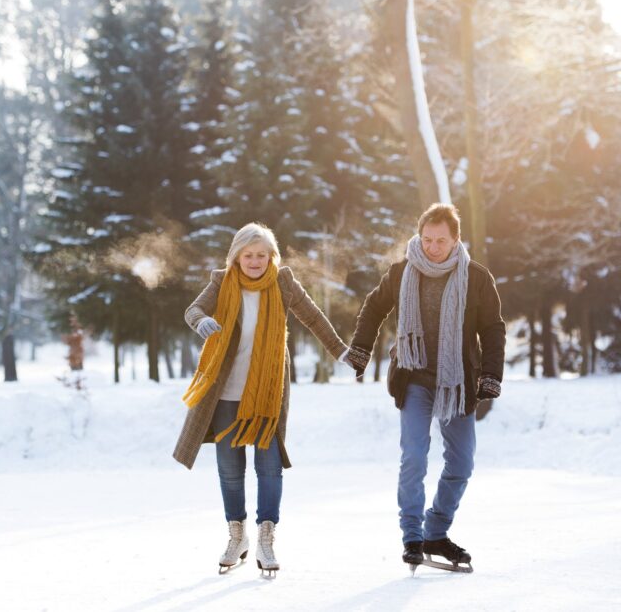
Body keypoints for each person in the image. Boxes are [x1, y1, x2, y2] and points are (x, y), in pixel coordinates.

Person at [174, 222, 348, 577]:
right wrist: (203, 321)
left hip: (268, 392)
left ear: (272, 257)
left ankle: (266, 537)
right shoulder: (221, 282)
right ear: (236, 256)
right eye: (248, 255)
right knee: (230, 469)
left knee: (268, 466)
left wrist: (340, 351)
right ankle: (236, 536)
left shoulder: (282, 282)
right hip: (226, 392)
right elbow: (192, 310)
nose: (254, 261)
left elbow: (313, 317)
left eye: (261, 255)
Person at [342, 203, 506, 573]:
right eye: (427, 239)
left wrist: (490, 376)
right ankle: (413, 536)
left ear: (455, 240)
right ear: (419, 237)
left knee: (461, 464)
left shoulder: (476, 278)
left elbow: (493, 329)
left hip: (458, 382)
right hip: (414, 377)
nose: (433, 247)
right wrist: (361, 349)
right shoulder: (402, 272)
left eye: (440, 241)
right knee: (414, 456)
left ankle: (436, 531)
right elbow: (373, 307)